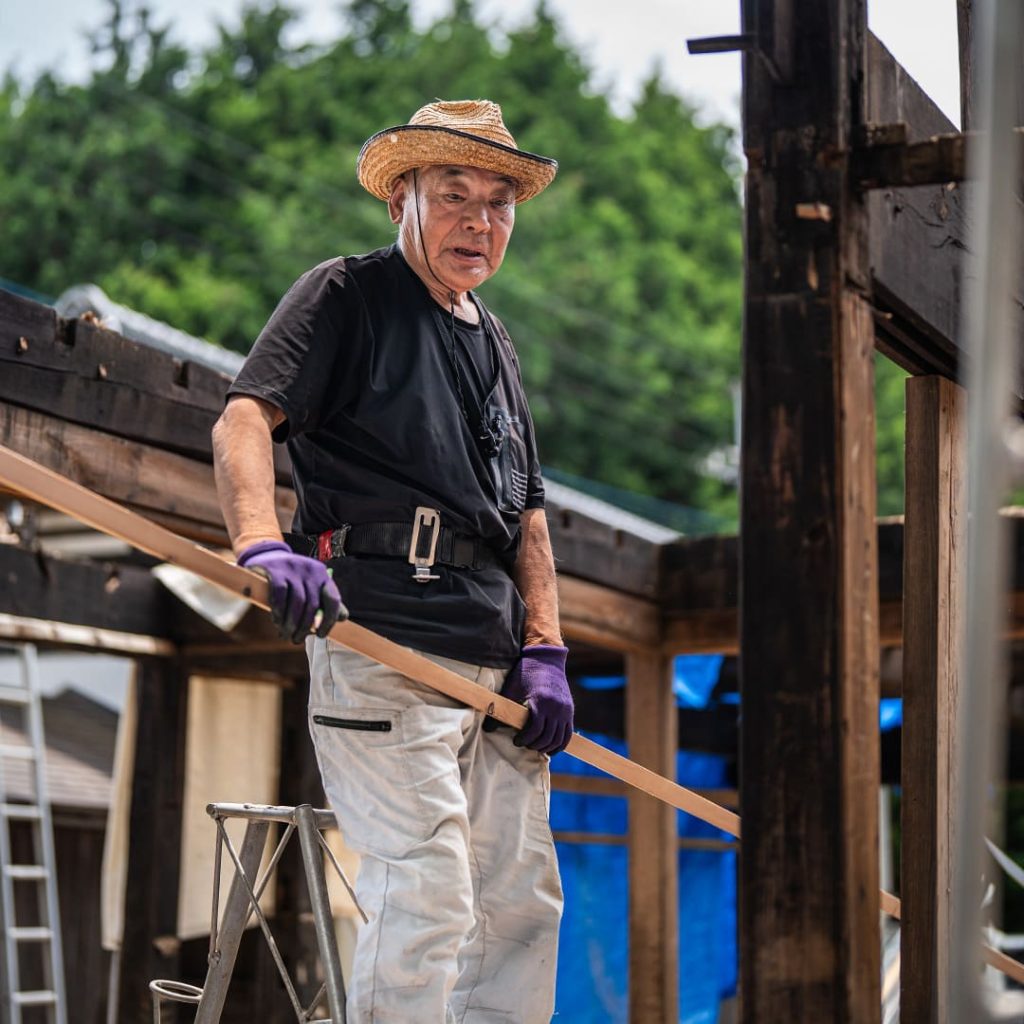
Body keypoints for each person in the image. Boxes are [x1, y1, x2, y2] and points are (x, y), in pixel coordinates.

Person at [212, 99, 573, 1023]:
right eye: (453, 194)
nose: (479, 220)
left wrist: (546, 649)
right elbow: (245, 418)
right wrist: (260, 541)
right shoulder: (348, 295)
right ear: (399, 202)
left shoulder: (495, 344)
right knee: (430, 894)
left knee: (521, 907)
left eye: (499, 202)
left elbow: (527, 511)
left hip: (493, 668)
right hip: (381, 645)